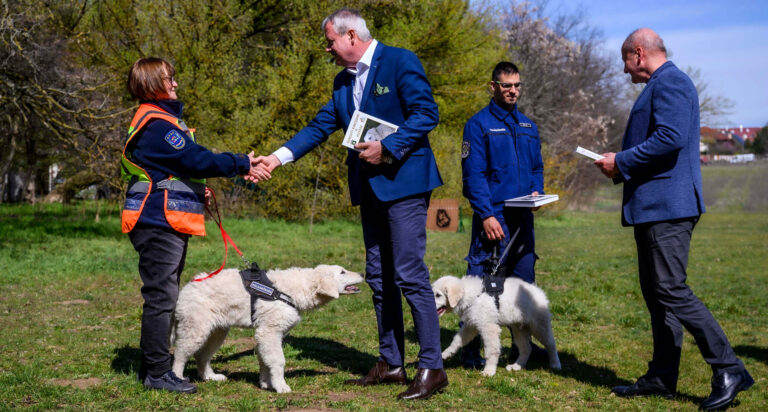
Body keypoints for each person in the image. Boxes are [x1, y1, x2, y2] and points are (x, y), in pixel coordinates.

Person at [251, 8, 447, 400]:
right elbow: (319, 126)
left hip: (405, 185)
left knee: (408, 274)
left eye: (330, 41)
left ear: (352, 36)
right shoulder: (342, 82)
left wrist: (387, 147)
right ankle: (391, 363)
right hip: (369, 189)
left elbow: (427, 113)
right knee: (378, 277)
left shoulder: (400, 61)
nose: (327, 49)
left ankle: (432, 367)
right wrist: (276, 158)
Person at [594, 28, 753, 410]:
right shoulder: (663, 84)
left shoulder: (673, 82)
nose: (626, 72)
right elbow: (662, 143)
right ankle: (662, 376)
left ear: (638, 53)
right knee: (657, 293)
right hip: (655, 207)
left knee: (670, 289)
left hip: (669, 208)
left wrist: (622, 160)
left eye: (625, 63)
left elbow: (670, 138)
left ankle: (729, 368)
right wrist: (621, 169)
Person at [122, 57, 266, 393]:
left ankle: (155, 367)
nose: (175, 84)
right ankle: (158, 372)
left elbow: (189, 162)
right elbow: (194, 159)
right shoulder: (158, 125)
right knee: (161, 297)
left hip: (162, 221)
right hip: (158, 222)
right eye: (169, 79)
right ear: (152, 84)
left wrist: (236, 167)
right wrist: (242, 162)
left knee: (164, 294)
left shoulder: (162, 121)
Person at [460, 61, 547, 368]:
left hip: (524, 220)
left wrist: (537, 191)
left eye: (517, 86)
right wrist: (485, 215)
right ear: (493, 87)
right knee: (484, 284)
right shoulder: (478, 125)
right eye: (507, 86)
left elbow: (537, 168)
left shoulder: (527, 126)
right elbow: (473, 177)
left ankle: (522, 349)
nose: (513, 91)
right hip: (494, 217)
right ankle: (471, 351)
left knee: (523, 285)